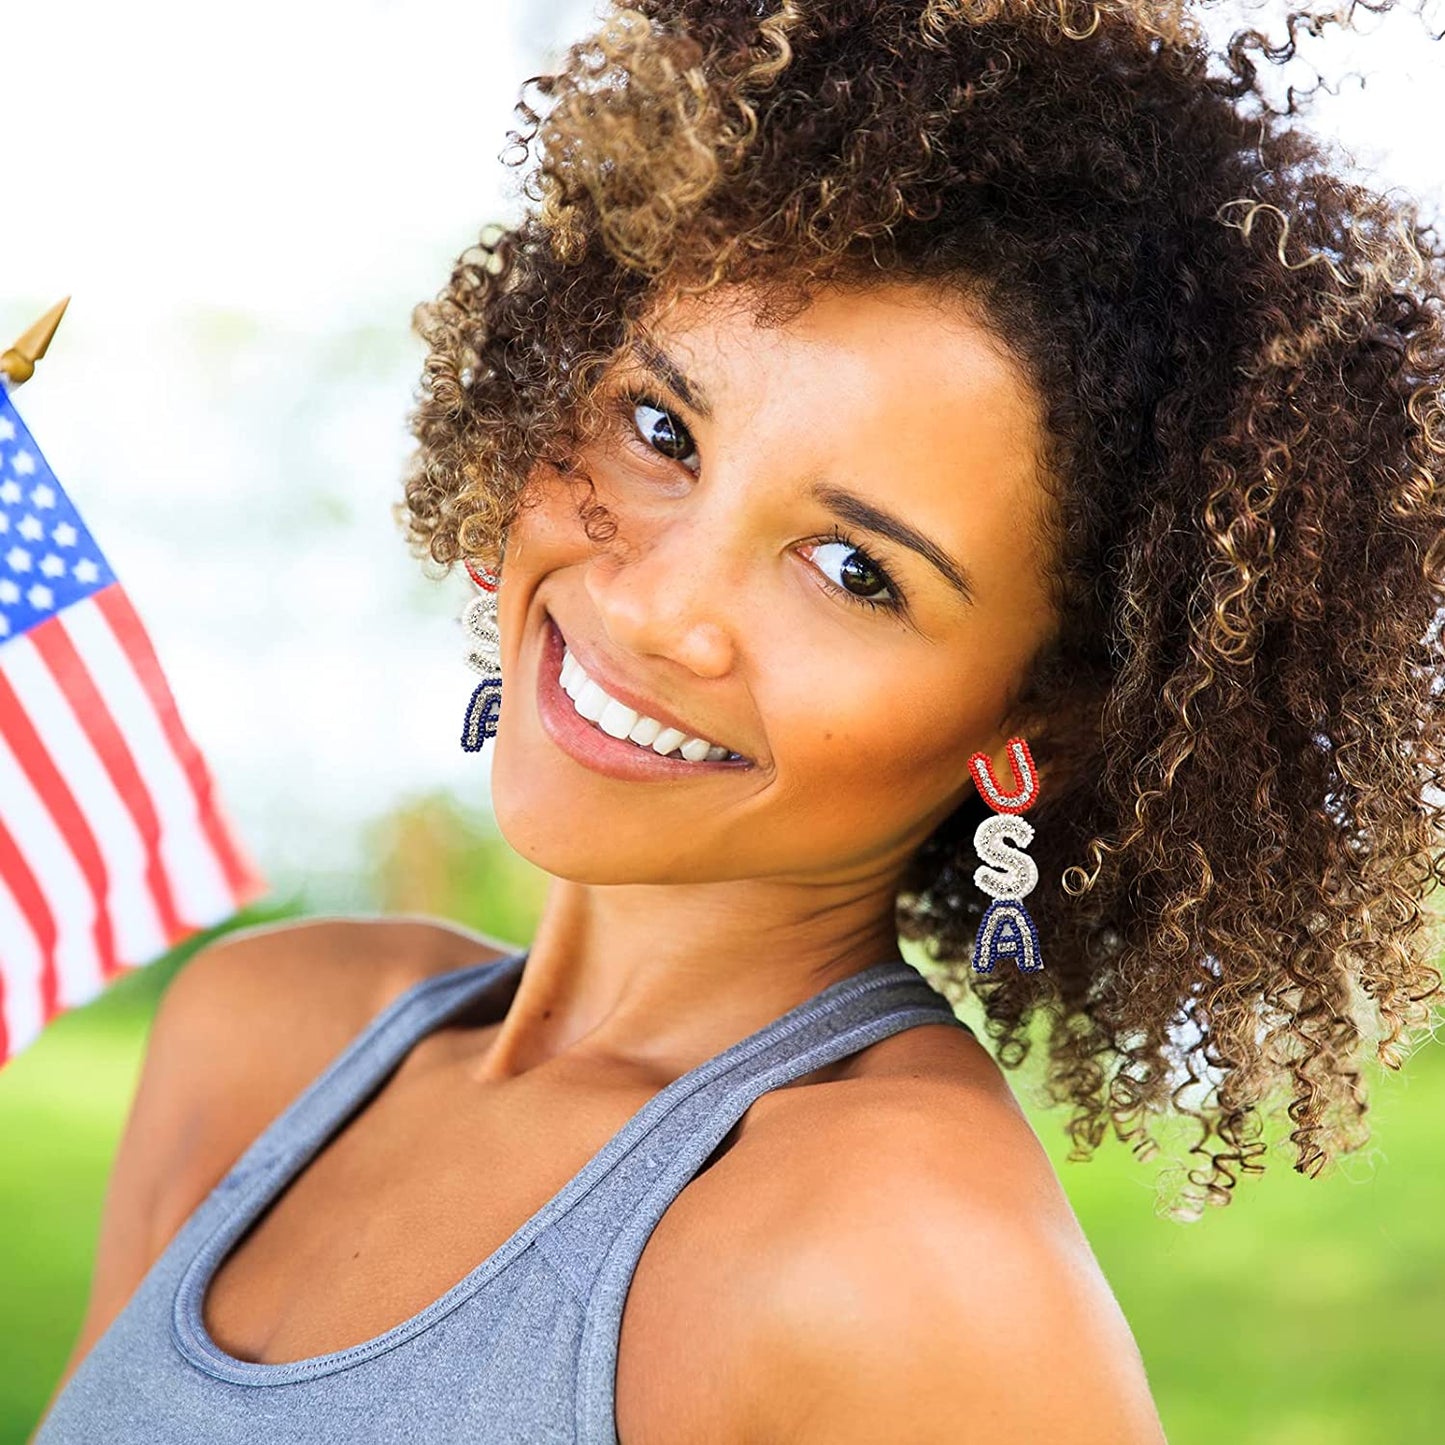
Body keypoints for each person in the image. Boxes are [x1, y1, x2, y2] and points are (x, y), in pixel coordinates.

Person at [31, 0, 1445, 1440]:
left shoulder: (896, 1258)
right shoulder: (257, 1034)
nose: (653, 609)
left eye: (853, 571)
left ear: (1042, 725)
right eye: (662, 432)